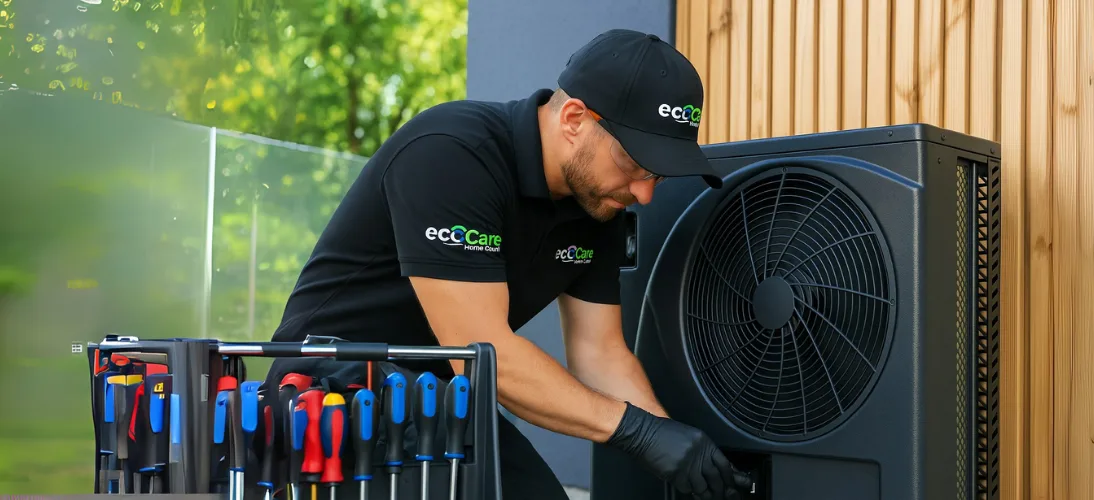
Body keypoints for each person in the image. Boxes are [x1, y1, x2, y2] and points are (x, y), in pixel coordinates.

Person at [261, 28, 752, 500]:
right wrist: (638, 433)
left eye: (657, 177)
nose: (643, 193)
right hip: (332, 388)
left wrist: (679, 452)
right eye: (633, 166)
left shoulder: (597, 204)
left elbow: (600, 354)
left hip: (440, 395)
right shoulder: (452, 153)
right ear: (575, 119)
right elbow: (480, 354)